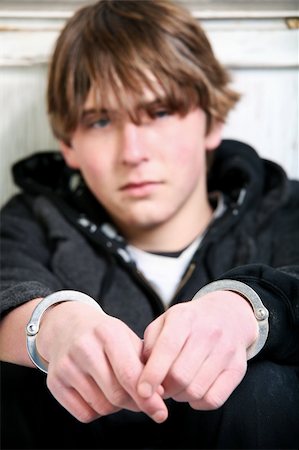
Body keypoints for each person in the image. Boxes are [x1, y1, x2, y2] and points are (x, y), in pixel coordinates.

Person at [0, 0, 299, 448]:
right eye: (101, 120)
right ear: (68, 144)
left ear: (212, 120)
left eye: (159, 113)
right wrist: (53, 328)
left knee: (260, 388)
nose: (132, 152)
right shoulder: (32, 220)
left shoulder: (284, 210)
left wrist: (246, 311)